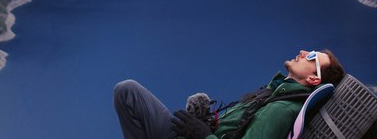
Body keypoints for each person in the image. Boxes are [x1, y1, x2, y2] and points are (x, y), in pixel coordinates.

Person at [113, 49, 345, 139]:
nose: (304, 52)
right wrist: (206, 120)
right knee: (127, 91)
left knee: (127, 92)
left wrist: (203, 134)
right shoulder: (276, 93)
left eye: (312, 57)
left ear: (313, 79)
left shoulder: (280, 110)